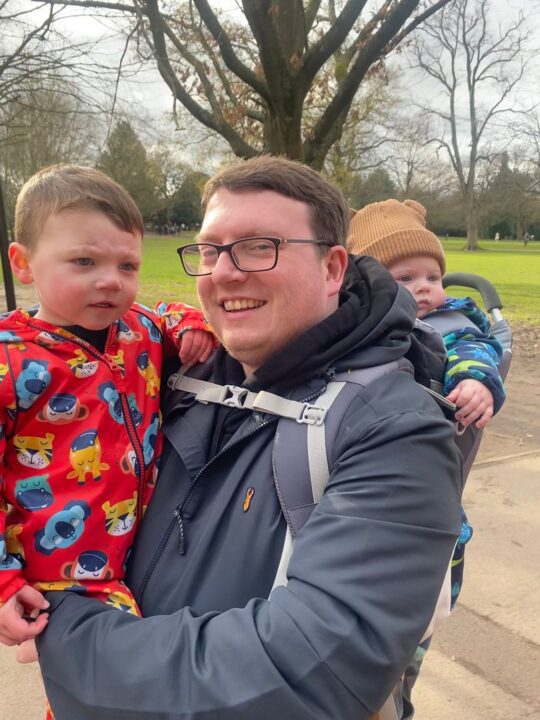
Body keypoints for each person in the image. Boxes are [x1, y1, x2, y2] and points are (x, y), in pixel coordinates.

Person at [35, 156, 462, 720]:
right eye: (209, 251)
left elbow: (306, 673)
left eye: (260, 246)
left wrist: (61, 624)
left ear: (333, 268)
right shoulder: (177, 378)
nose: (224, 273)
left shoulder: (396, 428)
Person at [0, 165, 214, 702]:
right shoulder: (10, 359)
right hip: (63, 572)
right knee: (111, 694)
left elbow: (163, 311)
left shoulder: (138, 330)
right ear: (24, 264)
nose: (111, 280)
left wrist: (192, 323)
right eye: (84, 262)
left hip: (143, 548)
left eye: (127, 265)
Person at [347, 197, 506, 718]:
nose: (425, 288)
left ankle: (401, 687)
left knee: (410, 635)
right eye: (406, 277)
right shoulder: (357, 331)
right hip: (369, 496)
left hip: (429, 503)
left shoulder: (454, 325)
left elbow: (476, 353)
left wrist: (475, 382)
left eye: (433, 276)